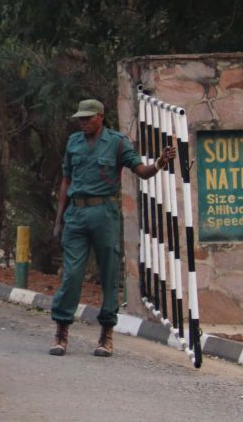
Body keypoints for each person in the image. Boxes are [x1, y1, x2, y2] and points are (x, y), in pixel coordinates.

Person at [50, 98, 175, 357]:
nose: (83, 122)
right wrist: (59, 219)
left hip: (104, 213)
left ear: (100, 117)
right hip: (76, 213)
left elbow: (141, 170)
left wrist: (160, 162)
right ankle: (61, 331)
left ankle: (106, 333)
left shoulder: (117, 142)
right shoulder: (73, 142)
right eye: (80, 118)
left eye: (88, 117)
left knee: (109, 275)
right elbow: (66, 180)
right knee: (72, 275)